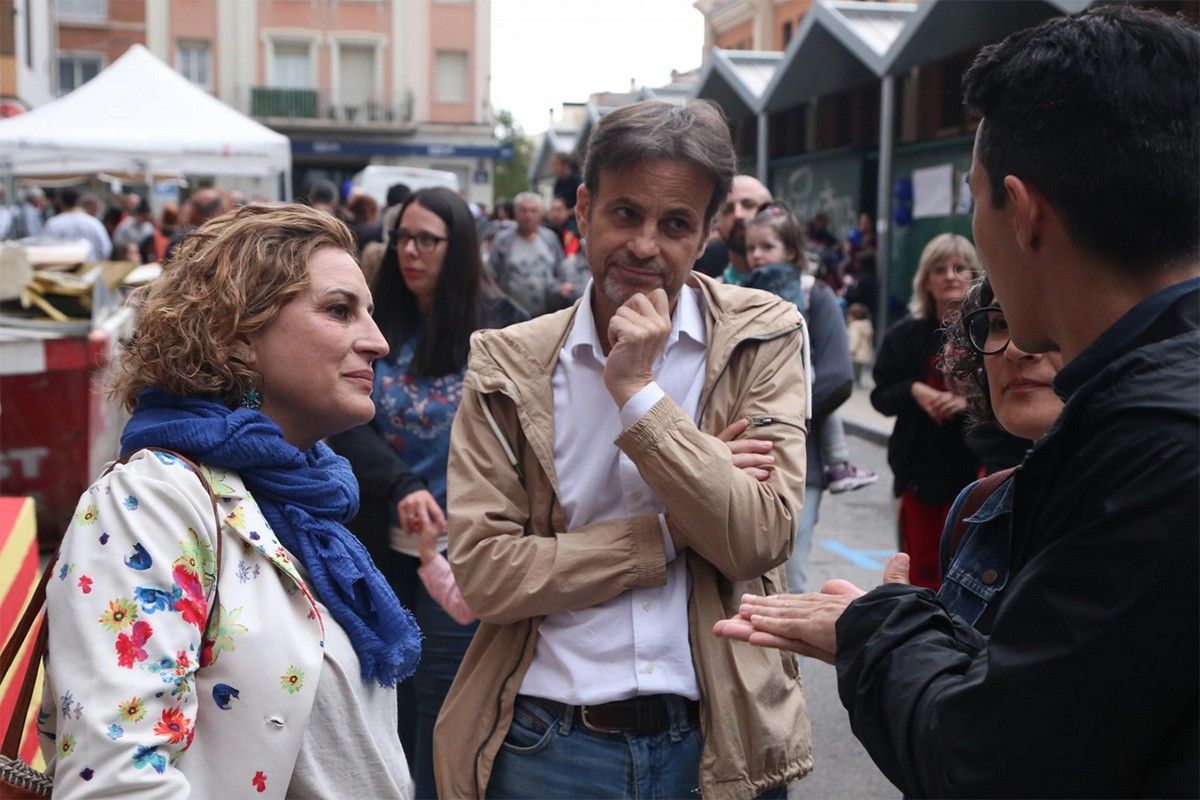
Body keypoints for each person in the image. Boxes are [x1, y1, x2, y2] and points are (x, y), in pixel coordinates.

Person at [716, 7, 1199, 795]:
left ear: (1024, 210)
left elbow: (993, 760)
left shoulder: (1153, 443)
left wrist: (876, 625)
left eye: (975, 199)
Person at [433, 99, 812, 800]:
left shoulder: (762, 334)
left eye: (674, 225)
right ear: (583, 210)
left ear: (705, 235)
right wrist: (671, 531)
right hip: (551, 745)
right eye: (626, 213)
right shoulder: (509, 363)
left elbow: (759, 536)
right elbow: (486, 575)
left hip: (716, 738)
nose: (645, 245)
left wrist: (638, 394)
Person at [39, 204, 420, 798]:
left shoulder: (305, 504)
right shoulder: (153, 502)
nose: (377, 341)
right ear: (239, 336)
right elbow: (115, 783)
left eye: (367, 313)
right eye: (339, 311)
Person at [327, 187, 526, 800]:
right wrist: (401, 482)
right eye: (403, 237)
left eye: (427, 240)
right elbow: (344, 421)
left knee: (443, 704)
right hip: (379, 538)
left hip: (462, 546)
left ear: (458, 247)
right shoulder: (376, 319)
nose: (409, 252)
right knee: (384, 694)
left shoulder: (503, 326)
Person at [740, 202, 869, 595]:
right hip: (744, 457)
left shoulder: (817, 296)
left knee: (788, 578)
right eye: (751, 249)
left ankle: (785, 658)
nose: (757, 256)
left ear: (791, 251)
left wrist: (777, 417)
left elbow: (837, 377)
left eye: (767, 246)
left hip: (802, 462)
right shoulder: (737, 295)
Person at [936, 277, 1063, 631]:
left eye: (1047, 318)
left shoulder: (1167, 501)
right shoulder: (976, 507)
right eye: (1000, 323)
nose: (1015, 349)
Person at [869, 233, 981, 590]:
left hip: (976, 468)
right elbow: (881, 396)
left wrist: (968, 403)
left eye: (960, 268)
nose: (951, 275)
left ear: (974, 276)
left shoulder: (991, 331)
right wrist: (914, 391)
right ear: (926, 281)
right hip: (920, 472)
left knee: (971, 571)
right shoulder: (903, 336)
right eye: (940, 269)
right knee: (922, 571)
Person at [488, 191, 567, 317]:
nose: (528, 215)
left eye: (533, 210)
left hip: (547, 316)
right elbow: (492, 276)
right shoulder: (503, 240)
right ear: (515, 213)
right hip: (512, 317)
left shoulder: (550, 239)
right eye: (523, 210)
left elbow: (561, 271)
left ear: (541, 214)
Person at [43, 187, 112, 261]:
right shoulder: (93, 222)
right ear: (77, 201)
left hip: (62, 269)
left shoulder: (53, 223)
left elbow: (46, 250)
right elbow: (106, 248)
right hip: (92, 268)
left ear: (60, 202)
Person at [845, 303, 874, 388]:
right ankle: (858, 381)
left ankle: (855, 382)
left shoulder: (854, 326)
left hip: (856, 352)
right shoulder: (867, 325)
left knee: (854, 369)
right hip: (864, 352)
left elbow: (854, 339)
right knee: (859, 369)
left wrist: (852, 350)